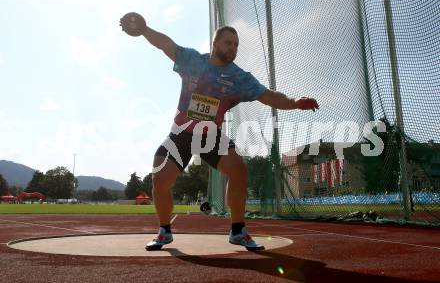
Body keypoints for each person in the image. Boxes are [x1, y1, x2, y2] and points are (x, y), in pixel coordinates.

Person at [119, 13, 319, 251]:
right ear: (215, 44)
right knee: (160, 178)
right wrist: (144, 30)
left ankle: (238, 231)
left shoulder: (239, 78)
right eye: (228, 43)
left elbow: (269, 96)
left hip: (210, 136)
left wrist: (295, 101)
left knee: (238, 170)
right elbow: (166, 44)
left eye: (236, 45)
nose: (233, 48)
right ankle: (164, 231)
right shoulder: (193, 60)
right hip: (181, 133)